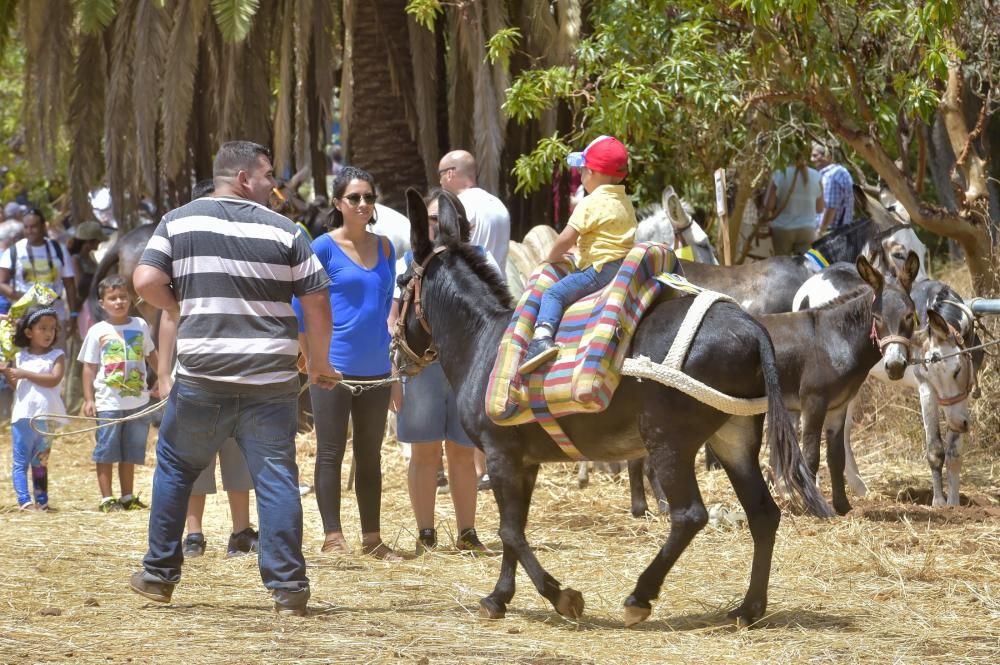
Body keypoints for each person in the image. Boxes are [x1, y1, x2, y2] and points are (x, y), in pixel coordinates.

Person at [128, 140, 340, 617]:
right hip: (270, 381)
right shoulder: (287, 231)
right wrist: (321, 362)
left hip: (203, 378)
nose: (274, 187)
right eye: (268, 176)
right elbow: (317, 301)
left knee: (177, 470)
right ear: (244, 178)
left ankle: (159, 577)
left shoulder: (178, 222)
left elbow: (144, 282)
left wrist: (183, 304)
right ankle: (289, 589)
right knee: (277, 478)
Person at [292, 166, 400, 560]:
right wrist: (309, 355)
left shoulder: (387, 247)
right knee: (330, 451)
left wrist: (395, 372)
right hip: (332, 368)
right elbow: (300, 306)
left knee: (370, 455)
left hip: (376, 369)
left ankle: (372, 538)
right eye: (354, 197)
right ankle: (332, 535)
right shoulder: (321, 246)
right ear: (338, 203)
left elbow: (389, 314)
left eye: (369, 197)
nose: (363, 204)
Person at [158, 179, 259, 560]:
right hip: (195, 373)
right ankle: (194, 534)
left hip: (236, 371)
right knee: (193, 459)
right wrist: (165, 373)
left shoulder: (240, 254)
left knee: (237, 458)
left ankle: (240, 531)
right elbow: (170, 316)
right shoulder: (184, 260)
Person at [390, 189, 493, 555]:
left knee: (463, 454)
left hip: (465, 372)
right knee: (424, 454)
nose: (435, 225)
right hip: (423, 370)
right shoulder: (410, 261)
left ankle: (468, 534)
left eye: (442, 219)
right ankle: (426, 535)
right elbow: (394, 320)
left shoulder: (480, 259)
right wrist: (394, 374)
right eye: (429, 219)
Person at [519, 135, 637, 374]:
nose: (581, 176)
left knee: (553, 293)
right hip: (622, 267)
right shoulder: (624, 200)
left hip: (598, 270)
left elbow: (566, 238)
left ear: (592, 173)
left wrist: (550, 257)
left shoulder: (591, 202)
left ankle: (541, 339)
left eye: (582, 170)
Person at [78, 275, 157, 512]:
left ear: (131, 299)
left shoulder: (140, 326)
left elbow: (151, 355)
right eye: (113, 298)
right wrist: (89, 398)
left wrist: (162, 379)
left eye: (123, 296)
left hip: (138, 401)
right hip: (108, 401)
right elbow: (89, 367)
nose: (119, 301)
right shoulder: (97, 331)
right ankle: (107, 498)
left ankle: (127, 496)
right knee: (107, 449)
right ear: (102, 303)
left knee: (131, 451)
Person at [3, 305, 65, 510]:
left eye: (52, 328)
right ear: (29, 332)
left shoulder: (57, 355)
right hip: (22, 416)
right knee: (20, 461)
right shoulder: (19, 356)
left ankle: (42, 501)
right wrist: (7, 372)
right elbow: (18, 387)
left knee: (41, 461)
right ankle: (25, 501)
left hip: (46, 417)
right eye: (43, 328)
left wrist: (24, 374)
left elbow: (54, 380)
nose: (49, 333)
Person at [0, 208, 78, 338]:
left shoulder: (59, 249)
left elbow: (70, 284)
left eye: (34, 227)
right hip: (24, 318)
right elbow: (1, 283)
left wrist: (73, 314)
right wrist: (25, 298)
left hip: (55, 316)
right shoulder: (14, 251)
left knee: (55, 356)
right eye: (26, 227)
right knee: (24, 357)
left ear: (43, 226)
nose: (30, 231)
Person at [437, 150, 511, 272]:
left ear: (449, 174)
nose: (440, 182)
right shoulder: (498, 204)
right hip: (498, 286)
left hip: (470, 288)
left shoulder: (458, 206)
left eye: (441, 175)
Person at [763, 154, 824, 256]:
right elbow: (819, 208)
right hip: (807, 229)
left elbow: (769, 205)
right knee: (803, 267)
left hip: (783, 229)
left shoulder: (779, 174)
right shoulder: (816, 176)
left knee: (782, 267)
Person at [812, 141, 855, 235]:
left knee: (809, 250)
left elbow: (831, 207)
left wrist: (820, 231)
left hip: (829, 235)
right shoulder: (839, 172)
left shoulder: (832, 175)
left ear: (828, 156)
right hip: (838, 233)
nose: (812, 159)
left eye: (815, 156)